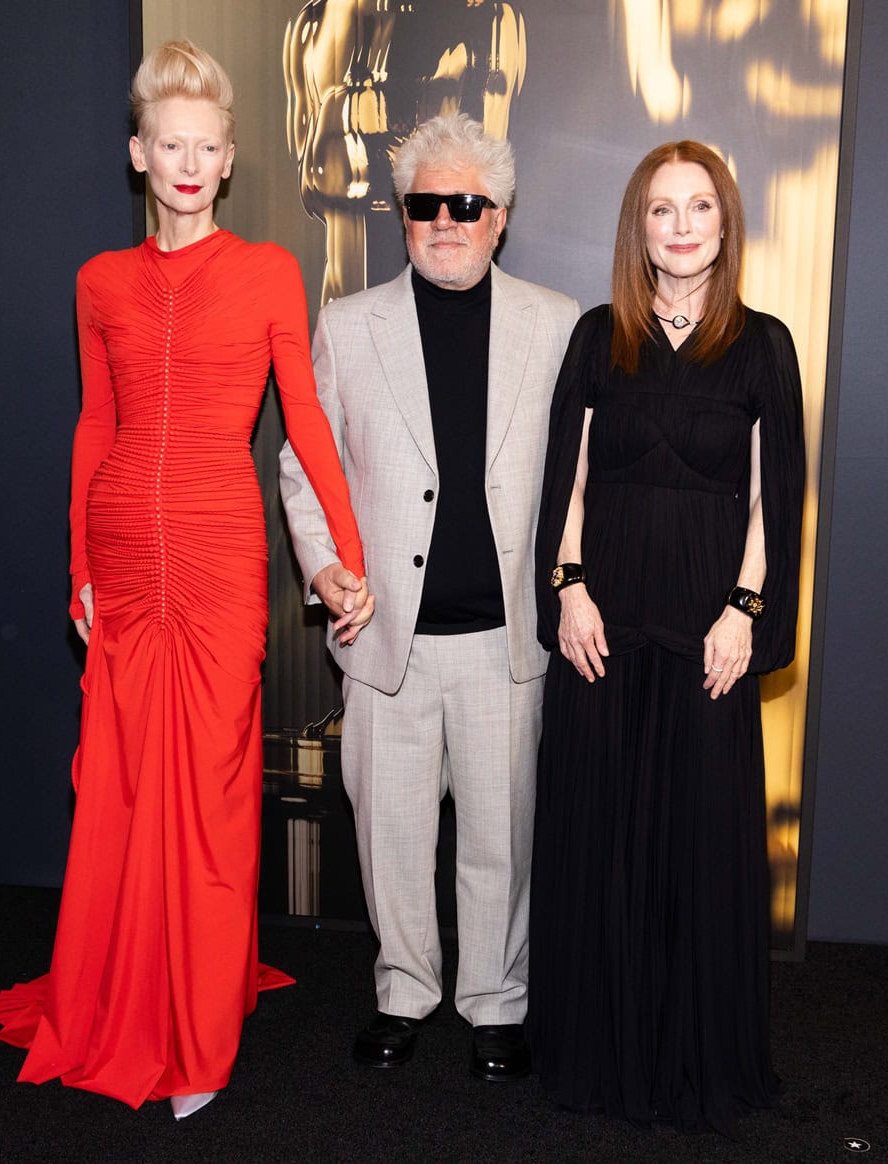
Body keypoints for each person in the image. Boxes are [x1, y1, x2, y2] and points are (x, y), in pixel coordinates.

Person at [0, 41, 370, 1119]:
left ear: (230, 157)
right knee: (118, 788)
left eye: (208, 145)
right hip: (121, 551)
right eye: (171, 143)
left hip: (216, 554)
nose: (189, 161)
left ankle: (199, 1039)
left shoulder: (267, 273)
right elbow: (94, 426)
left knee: (208, 796)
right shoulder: (98, 283)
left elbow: (305, 423)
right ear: (139, 153)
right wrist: (78, 564)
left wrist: (342, 554)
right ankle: (121, 992)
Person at [279, 113, 578, 1080]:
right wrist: (322, 569)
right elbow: (302, 466)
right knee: (393, 840)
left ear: (500, 216)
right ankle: (403, 989)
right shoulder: (347, 325)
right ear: (403, 215)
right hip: (386, 645)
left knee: (500, 839)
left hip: (505, 643)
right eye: (425, 205)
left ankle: (496, 1000)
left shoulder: (557, 323)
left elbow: (582, 481)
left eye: (467, 205)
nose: (445, 221)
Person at [528, 140, 804, 1133]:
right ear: (636, 228)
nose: (681, 226)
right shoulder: (600, 337)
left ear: (726, 224)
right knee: (602, 850)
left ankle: (695, 1064)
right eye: (661, 209)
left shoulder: (765, 346)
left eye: (699, 208)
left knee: (697, 854)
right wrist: (567, 591)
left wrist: (746, 611)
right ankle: (598, 1056)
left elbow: (777, 502)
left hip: (708, 647)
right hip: (605, 634)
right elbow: (568, 481)